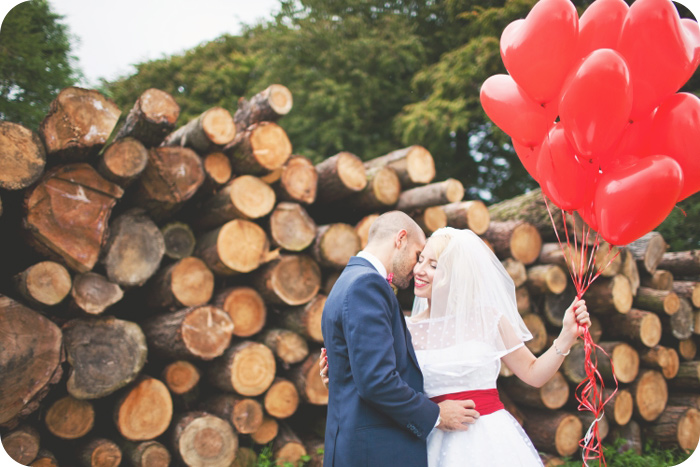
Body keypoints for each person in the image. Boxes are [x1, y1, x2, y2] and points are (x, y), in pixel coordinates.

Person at [321, 227, 591, 467]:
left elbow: (533, 373)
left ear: (456, 275)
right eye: (421, 260)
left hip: (487, 441)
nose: (419, 270)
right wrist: (338, 373)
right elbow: (380, 379)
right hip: (426, 438)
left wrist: (566, 336)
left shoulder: (489, 319)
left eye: (434, 265)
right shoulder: (405, 327)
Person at [321, 213, 479, 467]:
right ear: (401, 239)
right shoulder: (368, 285)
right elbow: (376, 380)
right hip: (373, 451)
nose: (417, 268)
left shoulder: (348, 279)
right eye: (418, 255)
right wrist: (436, 415)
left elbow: (359, 369)